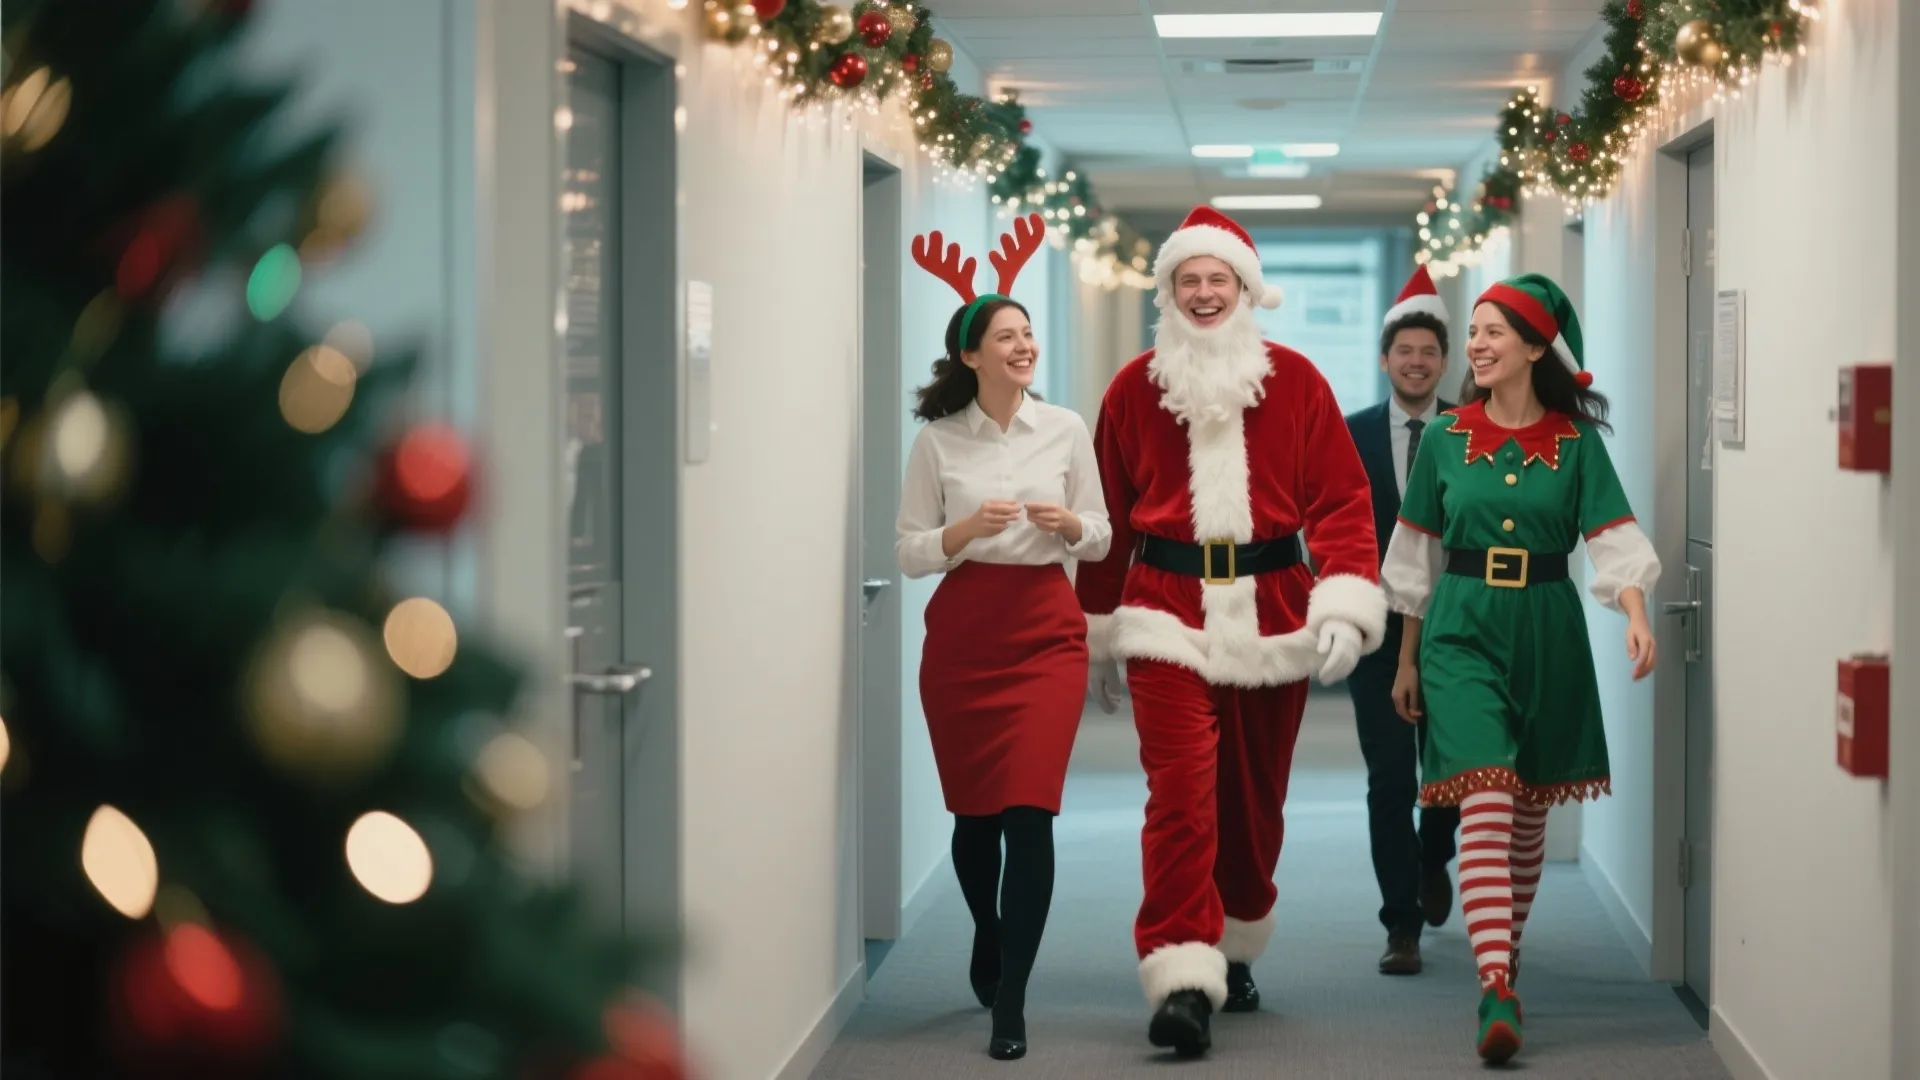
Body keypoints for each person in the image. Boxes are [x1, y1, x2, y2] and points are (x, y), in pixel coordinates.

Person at [1076, 205, 1387, 1057]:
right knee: (1179, 794)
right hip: (1163, 611)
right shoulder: (1132, 387)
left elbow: (1342, 502)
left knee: (1253, 803)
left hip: (1274, 611)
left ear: (1245, 289)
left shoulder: (1299, 382)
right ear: (1169, 292)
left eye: (1219, 280)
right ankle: (1180, 974)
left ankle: (1234, 936)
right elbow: (1105, 515)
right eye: (1190, 281)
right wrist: (1096, 627)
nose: (1204, 293)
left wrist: (1347, 601)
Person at [1381, 272, 1661, 1064]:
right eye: (1474, 331)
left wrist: (1636, 613)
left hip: (1548, 629)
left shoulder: (1578, 446)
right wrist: (1406, 660)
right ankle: (1496, 984)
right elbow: (1413, 558)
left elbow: (1613, 539)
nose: (1476, 345)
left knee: (1530, 812)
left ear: (1537, 348)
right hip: (1460, 627)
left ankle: (1504, 948)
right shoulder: (1444, 437)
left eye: (1496, 331)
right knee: (1488, 799)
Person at [895, 212, 1112, 1062]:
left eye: (1028, 334)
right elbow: (909, 551)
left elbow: (1100, 531)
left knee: (1031, 812)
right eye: (1006, 337)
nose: (1024, 347)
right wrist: (962, 533)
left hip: (1045, 635)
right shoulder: (938, 444)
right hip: (963, 639)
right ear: (971, 356)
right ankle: (987, 930)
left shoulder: (1064, 429)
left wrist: (1070, 526)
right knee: (975, 818)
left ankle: (1011, 997)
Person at [1342, 266, 1462, 976]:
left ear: (1443, 362)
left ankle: (1433, 856)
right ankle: (1401, 925)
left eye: (1428, 352)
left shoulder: (1468, 434)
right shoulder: (1349, 433)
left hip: (1455, 632)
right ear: (1385, 360)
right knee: (1389, 777)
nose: (1416, 363)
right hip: (1375, 632)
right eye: (1404, 352)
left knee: (1442, 774)